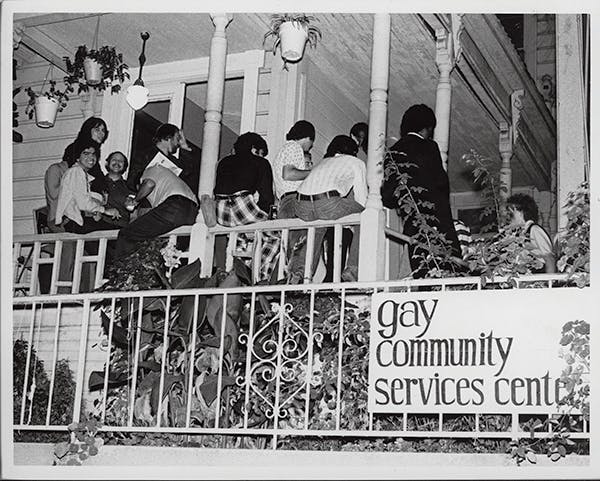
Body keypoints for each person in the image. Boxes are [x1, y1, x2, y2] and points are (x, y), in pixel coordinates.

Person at [381, 104, 461, 278]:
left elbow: (387, 196)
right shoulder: (430, 147)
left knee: (422, 270)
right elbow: (441, 184)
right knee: (448, 270)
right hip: (437, 221)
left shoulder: (392, 152)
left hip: (413, 223)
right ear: (427, 128)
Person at [115, 124, 199, 257]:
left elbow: (189, 173)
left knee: (138, 240)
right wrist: (135, 200)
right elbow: (134, 181)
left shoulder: (174, 162)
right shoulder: (146, 154)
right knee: (150, 246)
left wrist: (185, 147)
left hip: (170, 206)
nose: (178, 143)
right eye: (177, 139)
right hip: (154, 206)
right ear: (168, 138)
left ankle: (122, 273)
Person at [292, 135, 367, 283]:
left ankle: (300, 272)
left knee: (319, 227)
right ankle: (353, 269)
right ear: (352, 151)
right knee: (366, 216)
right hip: (327, 202)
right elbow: (362, 198)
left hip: (300, 205)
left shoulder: (323, 162)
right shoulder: (356, 162)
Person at [213, 132, 279, 281]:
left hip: (220, 208)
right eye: (261, 153)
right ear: (254, 149)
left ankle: (236, 273)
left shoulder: (224, 161)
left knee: (240, 237)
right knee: (275, 236)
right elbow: (266, 196)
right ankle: (257, 276)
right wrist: (267, 218)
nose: (261, 157)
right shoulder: (260, 162)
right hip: (241, 203)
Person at [55, 139, 121, 234]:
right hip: (74, 223)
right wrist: (105, 210)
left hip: (79, 222)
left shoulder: (83, 175)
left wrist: (96, 211)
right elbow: (83, 203)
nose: (91, 157)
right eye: (86, 153)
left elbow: (79, 200)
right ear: (77, 157)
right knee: (119, 234)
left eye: (94, 154)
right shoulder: (76, 171)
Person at [505, 193, 556, 273]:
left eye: (510, 213)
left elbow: (549, 258)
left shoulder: (535, 230)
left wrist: (550, 282)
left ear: (519, 212)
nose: (508, 217)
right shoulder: (520, 233)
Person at [63, 117, 109, 194]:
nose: (101, 133)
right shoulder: (75, 148)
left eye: (103, 130)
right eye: (97, 130)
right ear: (88, 130)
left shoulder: (94, 151)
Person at [101, 152, 136, 229]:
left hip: (120, 229)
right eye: (114, 160)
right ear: (108, 163)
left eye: (120, 161)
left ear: (124, 166)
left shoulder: (129, 187)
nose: (117, 163)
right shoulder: (97, 182)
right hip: (98, 227)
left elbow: (134, 215)